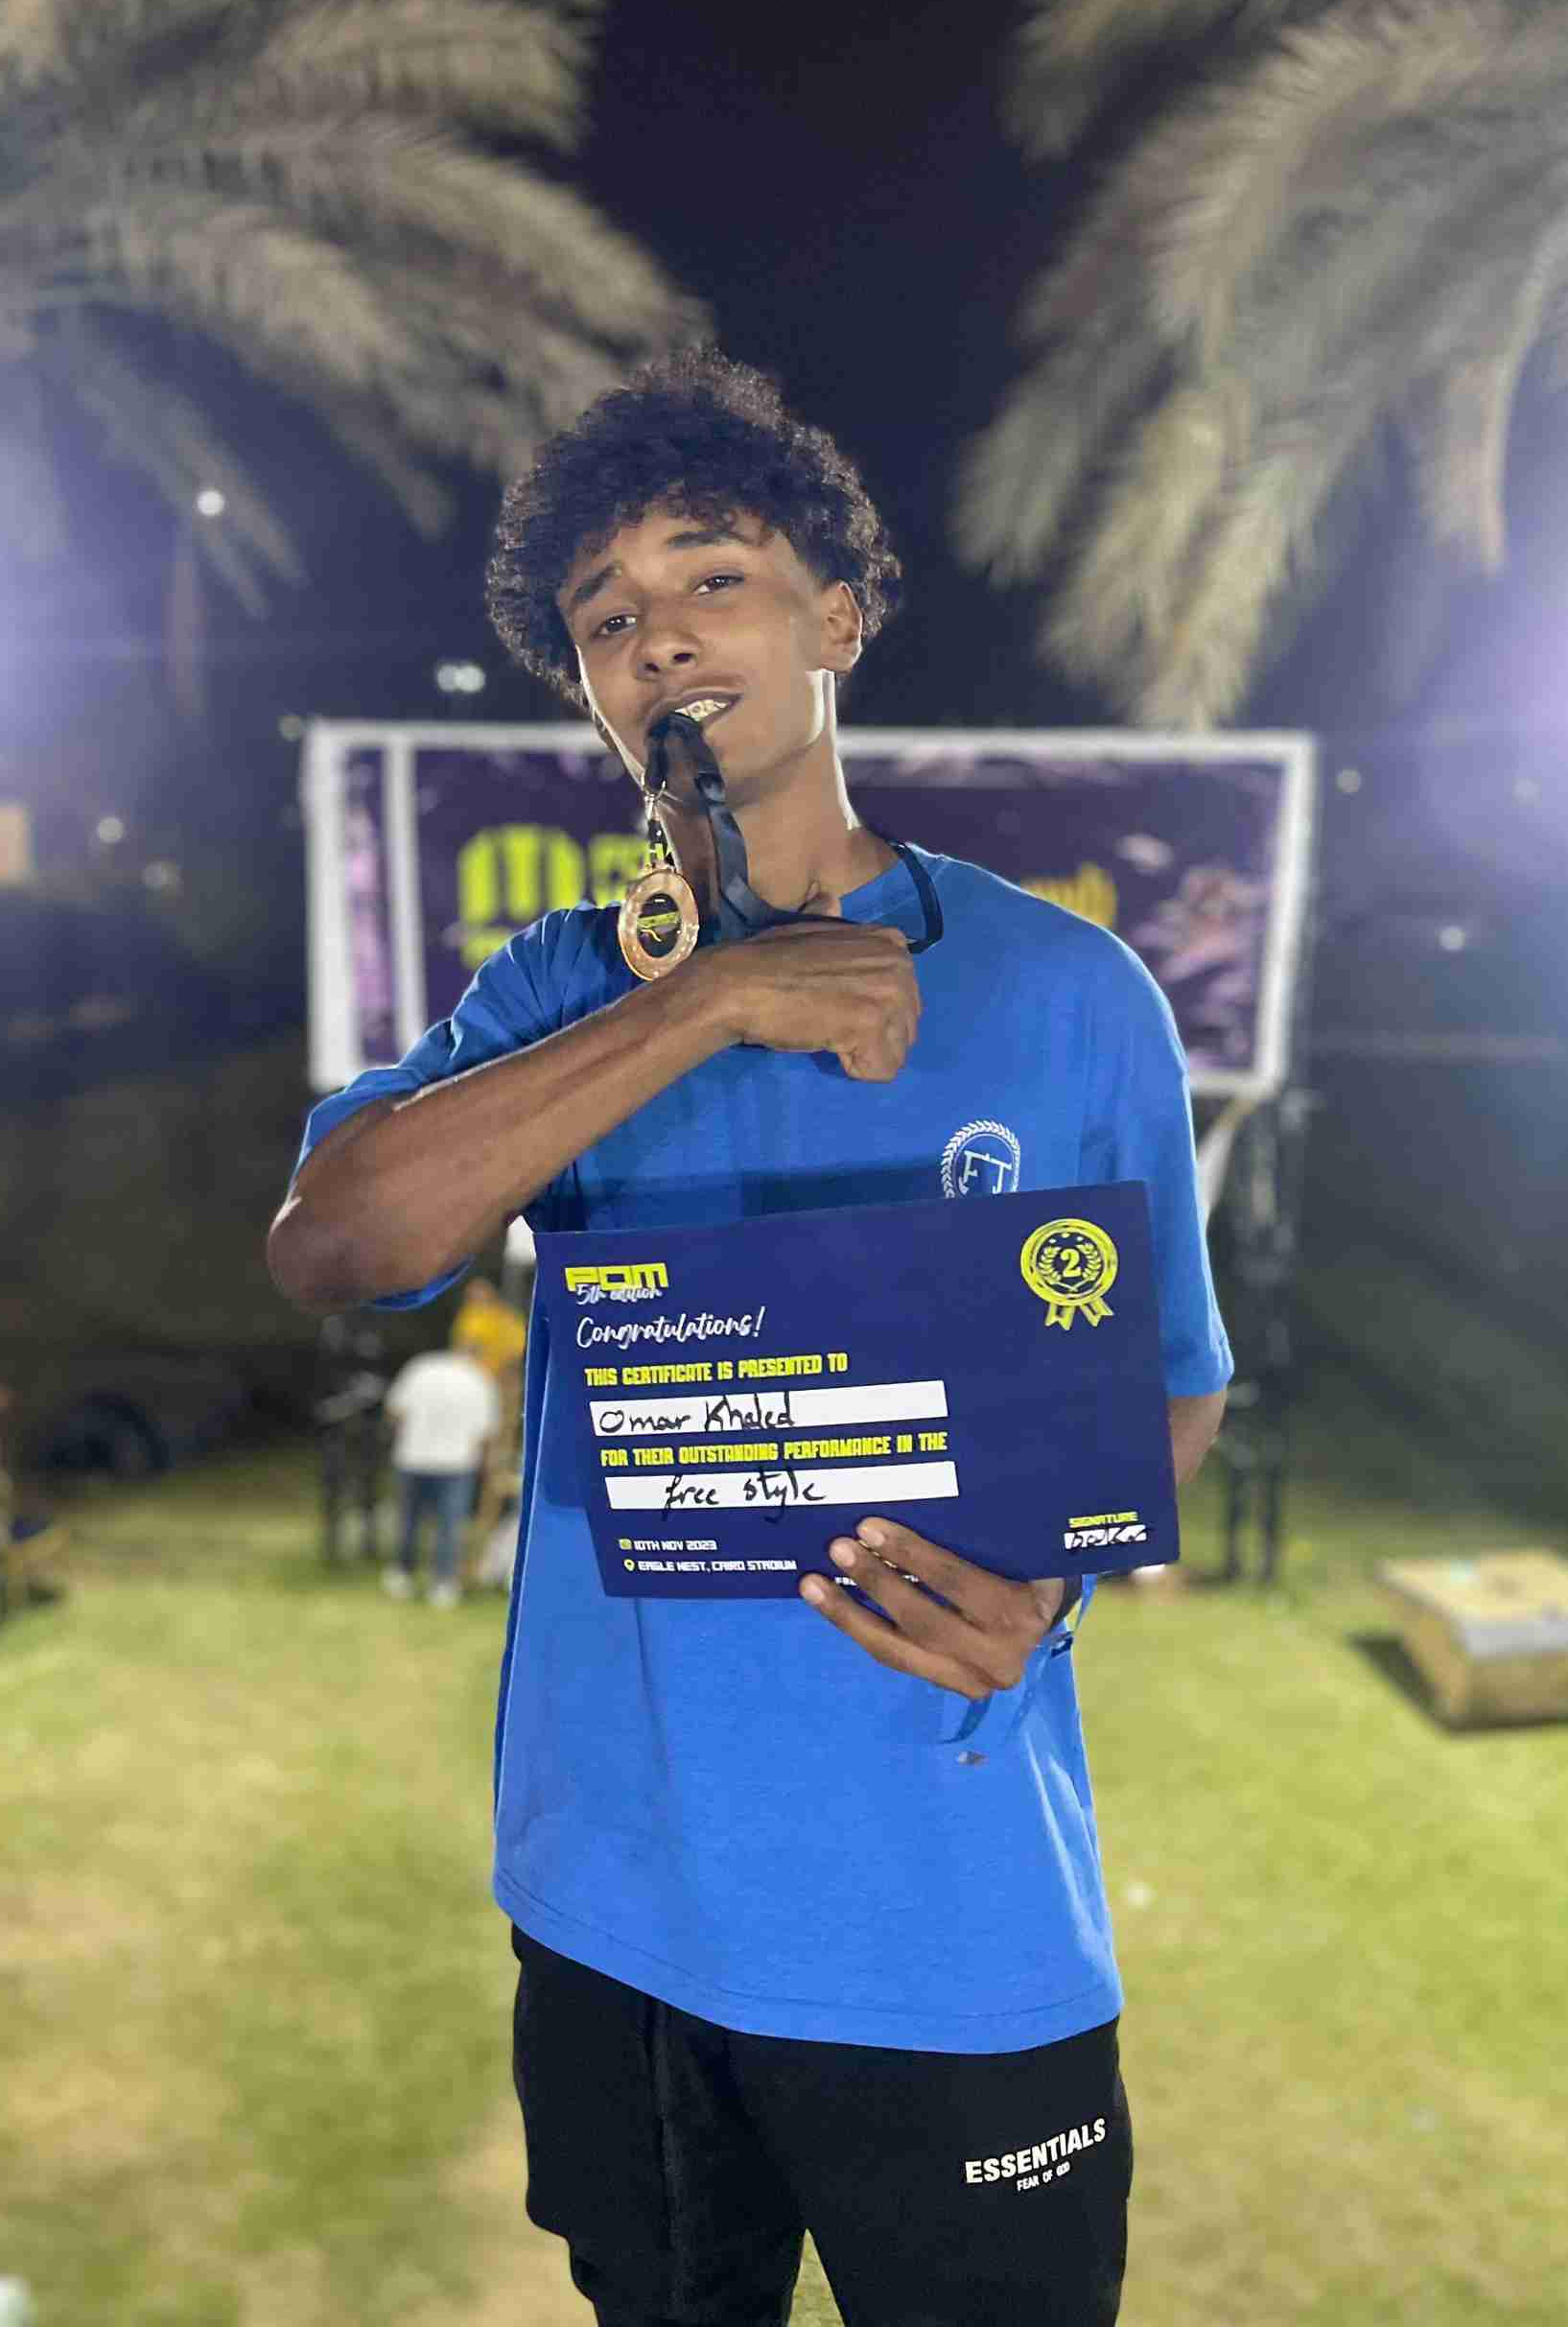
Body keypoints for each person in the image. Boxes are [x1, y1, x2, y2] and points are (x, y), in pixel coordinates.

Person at [269, 348, 1231, 2327]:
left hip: (943, 1917)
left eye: (712, 578)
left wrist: (1049, 1578)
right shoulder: (561, 989)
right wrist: (704, 1001)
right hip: (614, 1913)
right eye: (605, 618)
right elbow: (336, 1241)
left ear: (838, 620)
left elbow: (1171, 1383)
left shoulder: (1069, 991)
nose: (659, 638)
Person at [379, 1345, 499, 1609]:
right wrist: (486, 1468)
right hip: (456, 1462)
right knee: (449, 1525)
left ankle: (401, 1575)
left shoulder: (420, 1366)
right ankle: (443, 1584)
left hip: (412, 1457)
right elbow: (486, 1433)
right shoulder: (481, 1380)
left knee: (408, 1520)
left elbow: (394, 1412)